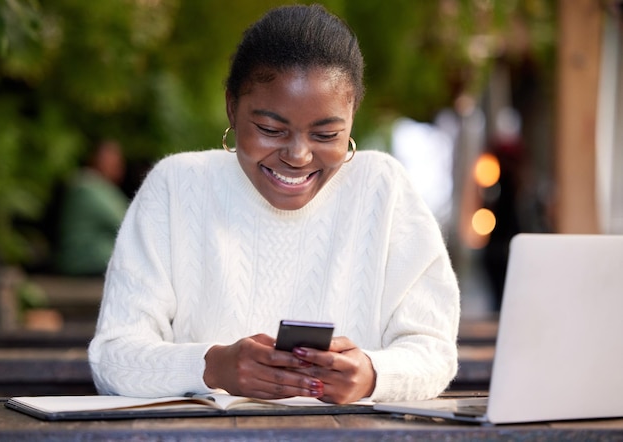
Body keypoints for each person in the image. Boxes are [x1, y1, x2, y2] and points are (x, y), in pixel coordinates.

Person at [88, 4, 460, 404]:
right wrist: (213, 367)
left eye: (326, 134)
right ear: (232, 107)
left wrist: (372, 374)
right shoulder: (176, 187)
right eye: (270, 129)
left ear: (351, 118)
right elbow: (113, 355)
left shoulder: (383, 190)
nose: (298, 155)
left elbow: (434, 350)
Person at [54, 140, 129, 276]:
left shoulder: (99, 187)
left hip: (95, 261)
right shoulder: (88, 186)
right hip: (85, 261)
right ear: (95, 159)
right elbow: (125, 221)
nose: (118, 166)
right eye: (111, 160)